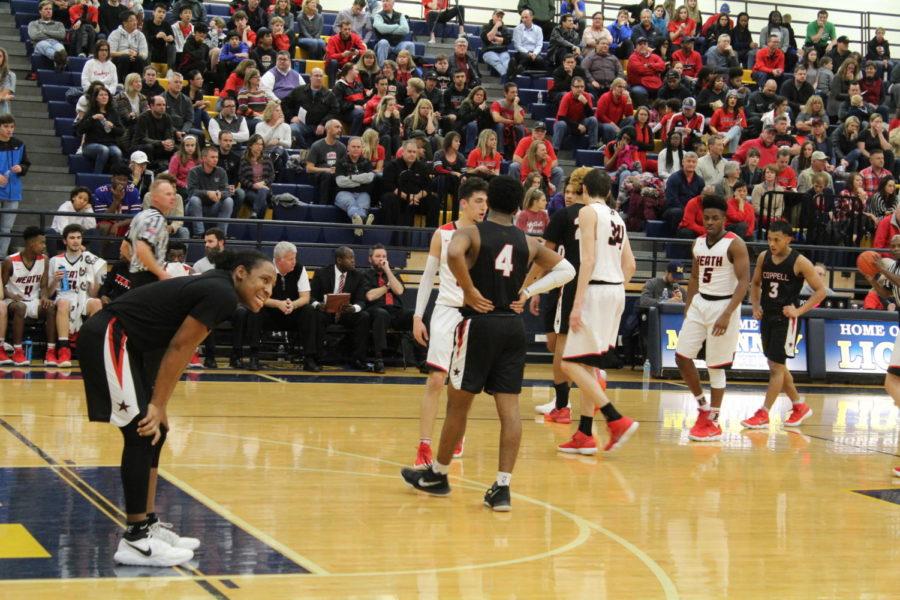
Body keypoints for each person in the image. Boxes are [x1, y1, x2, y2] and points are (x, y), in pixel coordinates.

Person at [78, 248, 275, 567]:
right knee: (142, 431)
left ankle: (148, 524)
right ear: (240, 272)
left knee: (157, 431)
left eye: (273, 285)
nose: (268, 290)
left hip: (132, 345)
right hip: (111, 336)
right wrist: (155, 403)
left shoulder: (217, 287)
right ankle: (136, 539)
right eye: (264, 280)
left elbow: (165, 341)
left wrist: (160, 404)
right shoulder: (221, 294)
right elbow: (181, 346)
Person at [401, 175, 575, 511]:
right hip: (513, 328)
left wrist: (468, 289)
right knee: (510, 410)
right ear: (518, 207)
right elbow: (566, 270)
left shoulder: (471, 233)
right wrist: (527, 291)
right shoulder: (528, 241)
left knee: (458, 405)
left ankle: (438, 474)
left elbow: (453, 252)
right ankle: (502, 488)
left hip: (478, 324)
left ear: (490, 201)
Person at [556, 169, 638, 454]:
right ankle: (584, 433)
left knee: (569, 363)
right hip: (616, 291)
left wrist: (578, 303)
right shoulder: (618, 218)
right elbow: (631, 266)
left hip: (596, 289)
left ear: (585, 190)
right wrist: (615, 290)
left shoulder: (589, 212)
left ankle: (615, 418)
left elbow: (587, 260)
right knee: (588, 364)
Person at [411, 177, 488, 465]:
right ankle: (424, 445)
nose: (484, 207)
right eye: (479, 201)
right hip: (445, 310)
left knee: (462, 386)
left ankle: (456, 433)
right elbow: (428, 278)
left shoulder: (487, 235)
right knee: (435, 380)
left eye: (487, 202)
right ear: (464, 203)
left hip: (474, 314)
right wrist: (418, 316)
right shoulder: (442, 234)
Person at [675, 195, 750, 441]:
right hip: (700, 303)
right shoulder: (697, 243)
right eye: (706, 218)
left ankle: (714, 420)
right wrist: (688, 306)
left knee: (715, 366)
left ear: (724, 219)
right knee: (682, 356)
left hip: (724, 305)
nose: (709, 222)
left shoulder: (735, 244)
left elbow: (744, 282)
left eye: (715, 218)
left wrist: (728, 313)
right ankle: (702, 406)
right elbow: (694, 277)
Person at [743, 220, 826, 430]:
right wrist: (755, 306)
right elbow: (755, 283)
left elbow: (820, 291)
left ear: (788, 239)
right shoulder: (764, 257)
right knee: (776, 365)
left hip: (785, 320)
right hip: (767, 316)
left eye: (776, 239)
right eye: (769, 239)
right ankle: (799, 406)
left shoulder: (800, 261)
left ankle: (764, 413)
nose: (772, 243)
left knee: (776, 368)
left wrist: (798, 311)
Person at [859, 235, 900, 477]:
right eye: (892, 245)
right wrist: (872, 278)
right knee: (892, 381)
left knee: (891, 381)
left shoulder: (892, 267)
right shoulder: (892, 266)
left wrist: (879, 267)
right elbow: (887, 293)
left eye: (898, 245)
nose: (894, 248)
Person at [47, 224, 106, 367]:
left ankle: (92, 349)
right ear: (64, 241)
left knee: (97, 303)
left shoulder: (88, 259)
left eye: (79, 238)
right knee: (63, 303)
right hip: (64, 296)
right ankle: (64, 348)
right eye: (72, 238)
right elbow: (49, 293)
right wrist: (55, 280)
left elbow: (92, 293)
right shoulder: (56, 260)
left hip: (83, 297)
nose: (76, 241)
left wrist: (98, 279)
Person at [309, 246, 374, 370]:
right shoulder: (321, 273)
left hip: (346, 313)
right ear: (339, 260)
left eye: (353, 258)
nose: (353, 261)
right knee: (315, 315)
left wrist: (354, 308)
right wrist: (318, 305)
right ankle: (316, 358)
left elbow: (361, 300)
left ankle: (358, 359)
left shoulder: (358, 276)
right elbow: (310, 297)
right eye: (350, 258)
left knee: (363, 316)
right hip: (325, 312)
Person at [0, 227, 56, 366]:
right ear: (31, 243)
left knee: (50, 307)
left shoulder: (44, 260)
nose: (44, 246)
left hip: (32, 300)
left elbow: (43, 287)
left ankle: (51, 352)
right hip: (12, 301)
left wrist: (44, 297)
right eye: (41, 242)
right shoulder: (10, 261)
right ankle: (18, 351)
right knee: (20, 307)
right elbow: (1, 287)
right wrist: (12, 295)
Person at [185, 146, 233, 237]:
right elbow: (191, 192)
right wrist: (207, 193)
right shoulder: (194, 171)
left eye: (217, 157)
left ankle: (221, 234)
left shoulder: (221, 171)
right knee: (194, 199)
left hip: (213, 206)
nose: (216, 160)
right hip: (195, 207)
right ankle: (200, 234)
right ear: (204, 158)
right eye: (212, 157)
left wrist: (220, 194)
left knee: (229, 200)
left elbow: (227, 191)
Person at [0, 114, 30, 257]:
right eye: (6, 126)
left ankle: (1, 257)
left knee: (6, 228)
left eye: (12, 127)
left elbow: (26, 164)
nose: (9, 130)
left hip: (13, 192)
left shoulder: (20, 144)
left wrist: (21, 168)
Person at [335, 137, 376, 236]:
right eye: (353, 146)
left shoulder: (366, 162)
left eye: (358, 147)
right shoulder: (340, 162)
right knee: (352, 203)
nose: (356, 149)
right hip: (343, 193)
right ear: (348, 147)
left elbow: (370, 178)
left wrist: (350, 178)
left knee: (362, 205)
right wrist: (361, 180)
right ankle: (363, 220)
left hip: (362, 193)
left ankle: (358, 224)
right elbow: (340, 182)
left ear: (362, 148)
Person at [372, 0, 415, 66]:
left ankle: (409, 68)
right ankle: (382, 69)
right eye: (383, 1)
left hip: (397, 45)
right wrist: (396, 26)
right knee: (383, 42)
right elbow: (381, 29)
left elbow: (405, 30)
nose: (385, 3)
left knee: (410, 44)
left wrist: (387, 29)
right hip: (383, 44)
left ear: (393, 3)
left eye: (387, 1)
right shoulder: (378, 16)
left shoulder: (400, 15)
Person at [108, 12, 148, 81]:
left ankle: (137, 82)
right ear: (125, 23)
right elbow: (110, 52)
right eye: (132, 20)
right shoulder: (115, 33)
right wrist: (125, 53)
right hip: (119, 59)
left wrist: (136, 54)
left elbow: (145, 54)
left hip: (135, 58)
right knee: (125, 58)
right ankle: (120, 83)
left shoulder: (140, 35)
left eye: (136, 20)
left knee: (139, 59)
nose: (135, 22)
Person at [28, 1, 68, 71]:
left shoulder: (59, 24)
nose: (49, 11)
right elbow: (34, 36)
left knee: (59, 48)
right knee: (44, 44)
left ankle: (59, 61)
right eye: (46, 9)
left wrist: (44, 31)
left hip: (56, 43)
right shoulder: (33, 24)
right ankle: (58, 59)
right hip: (39, 45)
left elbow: (62, 35)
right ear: (40, 11)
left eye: (50, 9)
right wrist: (54, 35)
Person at [511, 9, 547, 76]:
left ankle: (523, 70)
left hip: (534, 53)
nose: (524, 20)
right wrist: (528, 53)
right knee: (527, 57)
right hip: (522, 52)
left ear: (531, 17)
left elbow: (539, 45)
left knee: (540, 60)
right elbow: (517, 46)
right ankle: (519, 71)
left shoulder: (538, 29)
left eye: (526, 17)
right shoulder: (517, 29)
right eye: (522, 17)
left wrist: (535, 53)